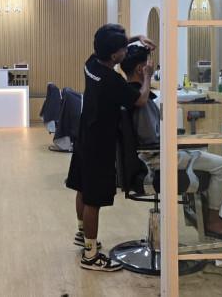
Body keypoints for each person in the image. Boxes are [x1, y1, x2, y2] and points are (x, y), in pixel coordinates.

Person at [120, 43, 222, 240]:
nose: (153, 66)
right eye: (149, 63)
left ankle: (202, 218)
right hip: (155, 159)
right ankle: (213, 221)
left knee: (203, 157)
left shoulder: (128, 94)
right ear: (141, 69)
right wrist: (178, 141)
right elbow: (150, 139)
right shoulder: (142, 101)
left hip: (148, 157)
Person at [65, 24, 155, 272]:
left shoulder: (91, 65)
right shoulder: (112, 81)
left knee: (82, 188)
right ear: (115, 55)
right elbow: (141, 99)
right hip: (99, 145)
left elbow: (111, 46)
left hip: (84, 136)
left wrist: (136, 38)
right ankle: (91, 255)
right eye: (123, 48)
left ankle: (83, 234)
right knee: (93, 199)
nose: (125, 51)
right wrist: (148, 76)